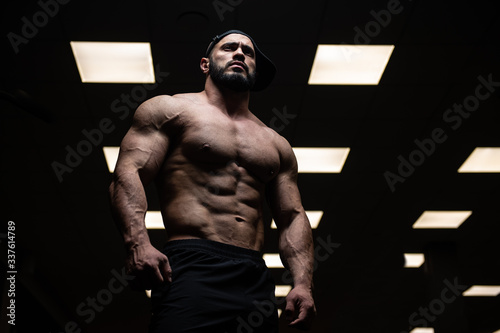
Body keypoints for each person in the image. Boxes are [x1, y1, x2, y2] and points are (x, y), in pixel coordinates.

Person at [109, 30, 316, 332]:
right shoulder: (170, 110)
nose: (240, 54)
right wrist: (137, 243)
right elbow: (128, 175)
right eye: (229, 47)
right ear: (205, 64)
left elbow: (291, 216)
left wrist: (303, 283)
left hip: (254, 276)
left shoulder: (276, 144)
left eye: (248, 52)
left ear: (255, 71)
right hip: (191, 264)